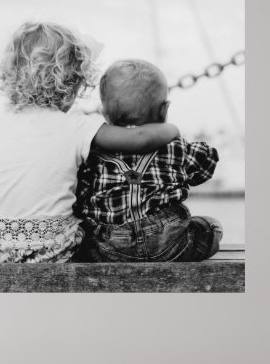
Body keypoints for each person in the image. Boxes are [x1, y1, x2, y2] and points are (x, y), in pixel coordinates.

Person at [0, 23, 179, 263]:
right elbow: (140, 139)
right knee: (93, 228)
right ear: (73, 84)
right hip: (47, 251)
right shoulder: (75, 125)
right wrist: (171, 128)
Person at [73, 59, 222, 262]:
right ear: (164, 110)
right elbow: (206, 166)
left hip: (110, 249)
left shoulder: (92, 155)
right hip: (170, 243)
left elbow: (80, 198)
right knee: (210, 227)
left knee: (86, 240)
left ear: (104, 113)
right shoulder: (175, 148)